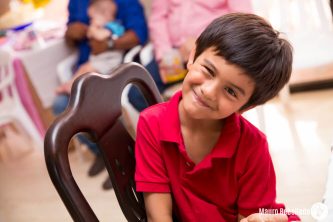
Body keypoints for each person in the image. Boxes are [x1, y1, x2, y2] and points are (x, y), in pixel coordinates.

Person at [135, 13, 301, 221]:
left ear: (247, 106)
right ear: (193, 56)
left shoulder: (252, 146)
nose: (209, 91)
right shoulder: (152, 123)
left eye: (231, 91)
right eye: (208, 70)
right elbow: (158, 216)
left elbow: (253, 217)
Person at [52, 0, 148, 190]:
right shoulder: (76, 4)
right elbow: (70, 37)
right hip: (88, 66)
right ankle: (102, 153)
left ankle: (124, 159)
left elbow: (139, 35)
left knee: (99, 105)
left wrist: (109, 43)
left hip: (112, 65)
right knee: (61, 105)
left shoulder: (126, 3)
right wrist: (72, 32)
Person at [128, 0, 252, 111]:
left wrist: (202, 43)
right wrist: (166, 54)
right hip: (172, 54)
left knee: (209, 99)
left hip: (215, 53)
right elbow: (158, 19)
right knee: (137, 94)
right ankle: (171, 129)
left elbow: (242, 23)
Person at [56, 0, 125, 94]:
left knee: (87, 71)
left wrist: (91, 30)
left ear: (105, 14)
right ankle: (71, 85)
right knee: (83, 68)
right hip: (98, 59)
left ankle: (73, 88)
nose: (91, 21)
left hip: (108, 61)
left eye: (92, 18)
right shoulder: (103, 26)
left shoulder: (112, 26)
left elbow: (101, 36)